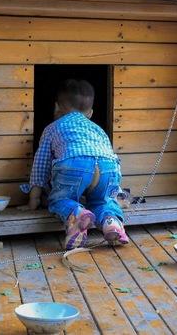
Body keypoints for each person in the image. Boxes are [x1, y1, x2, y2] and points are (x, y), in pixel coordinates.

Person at [19, 79, 130, 250]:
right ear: (91, 112)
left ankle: (76, 215)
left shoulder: (52, 128)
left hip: (75, 164)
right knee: (102, 201)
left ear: (56, 108)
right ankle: (111, 222)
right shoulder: (98, 130)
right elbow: (112, 158)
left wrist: (33, 200)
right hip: (108, 167)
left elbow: (40, 167)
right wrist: (118, 194)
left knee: (59, 199)